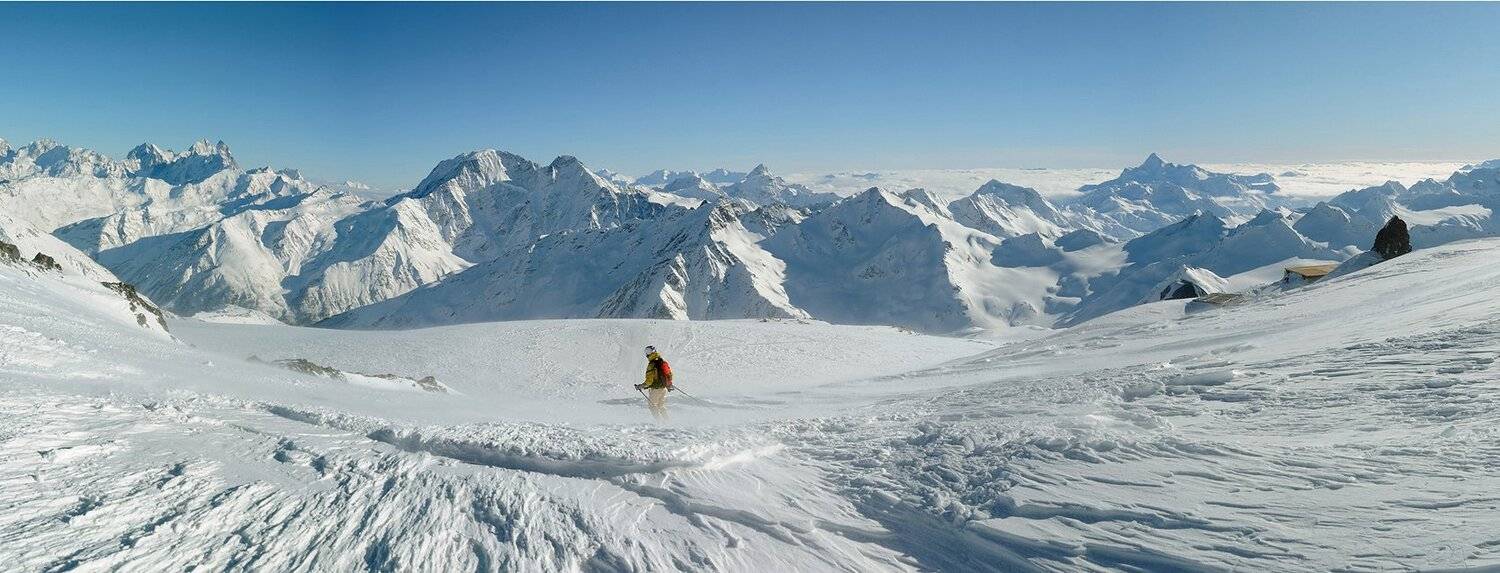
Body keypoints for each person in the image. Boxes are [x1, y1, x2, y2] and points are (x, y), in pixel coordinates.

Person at [635, 345, 673, 421]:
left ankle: (660, 423)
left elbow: (649, 381)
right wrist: (668, 384)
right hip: (663, 388)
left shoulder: (652, 365)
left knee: (652, 406)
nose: (647, 353)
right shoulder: (662, 362)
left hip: (655, 390)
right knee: (661, 406)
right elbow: (670, 374)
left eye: (648, 351)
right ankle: (668, 422)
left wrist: (640, 386)